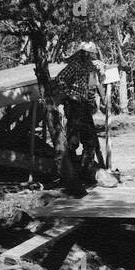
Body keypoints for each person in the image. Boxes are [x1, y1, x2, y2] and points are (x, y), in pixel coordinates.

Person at [52, 41, 106, 189]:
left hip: (83, 104)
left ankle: (85, 169)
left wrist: (101, 70)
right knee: (73, 139)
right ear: (82, 54)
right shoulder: (74, 65)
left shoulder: (89, 65)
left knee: (90, 140)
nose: (89, 56)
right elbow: (59, 79)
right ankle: (71, 172)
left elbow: (99, 79)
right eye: (87, 54)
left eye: (90, 54)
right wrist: (70, 95)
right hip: (74, 104)